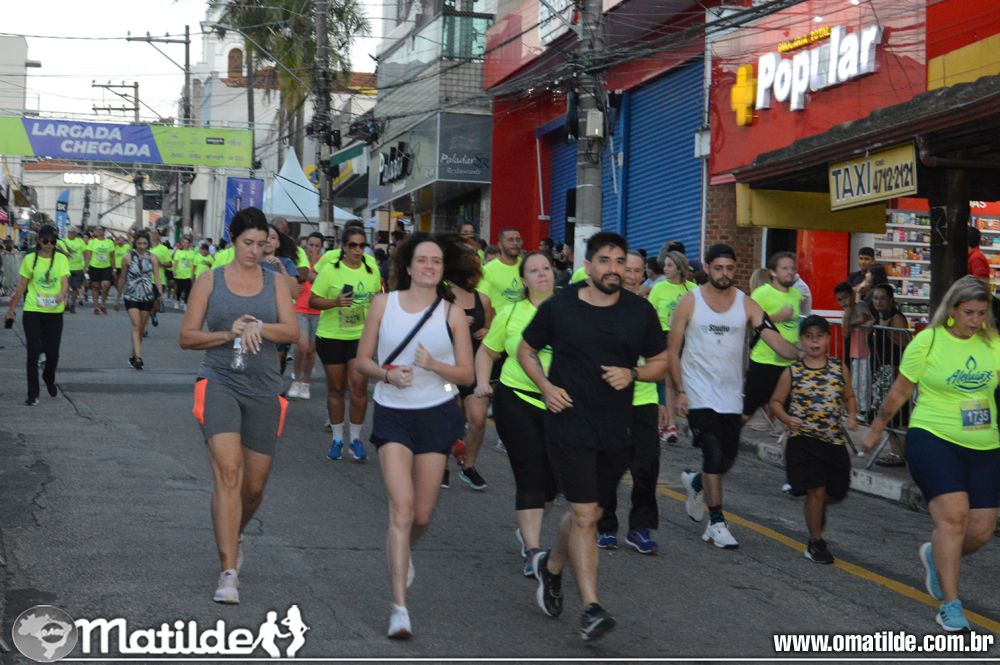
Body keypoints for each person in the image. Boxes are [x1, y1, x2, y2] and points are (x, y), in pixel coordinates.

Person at [518, 232, 668, 642]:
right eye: (605, 260)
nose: (614, 269)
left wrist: (633, 373)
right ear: (588, 266)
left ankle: (551, 569)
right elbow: (525, 351)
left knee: (591, 512)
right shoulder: (561, 306)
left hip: (616, 428)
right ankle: (591, 608)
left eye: (620, 261)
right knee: (585, 515)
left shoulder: (640, 312)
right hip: (568, 424)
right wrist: (546, 389)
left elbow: (660, 361)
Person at [353, 233, 474, 639]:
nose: (428, 266)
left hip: (436, 414)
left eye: (436, 262)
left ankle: (403, 554)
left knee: (422, 515)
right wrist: (388, 374)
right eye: (422, 260)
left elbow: (467, 376)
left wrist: (434, 365)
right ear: (407, 266)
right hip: (393, 414)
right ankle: (399, 609)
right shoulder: (382, 305)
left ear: (442, 270)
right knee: (401, 509)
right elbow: (362, 361)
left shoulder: (452, 313)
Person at [863, 276, 1000, 632]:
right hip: (933, 437)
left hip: (984, 444)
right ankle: (951, 605)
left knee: (983, 529)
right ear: (952, 310)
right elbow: (901, 389)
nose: (975, 320)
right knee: (954, 517)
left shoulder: (993, 343)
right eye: (968, 312)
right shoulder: (929, 340)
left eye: (982, 313)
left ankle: (935, 556)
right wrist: (878, 426)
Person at [179, 207, 299, 605]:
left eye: (261, 244)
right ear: (233, 240)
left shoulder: (275, 281)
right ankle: (228, 571)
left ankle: (235, 531)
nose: (255, 250)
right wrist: (226, 333)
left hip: (265, 388)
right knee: (228, 473)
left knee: (254, 484)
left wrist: (259, 327)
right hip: (219, 381)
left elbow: (293, 332)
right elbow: (187, 337)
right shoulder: (209, 280)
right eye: (247, 243)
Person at [668, 244, 800, 549]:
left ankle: (697, 482)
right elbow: (672, 351)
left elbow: (772, 337)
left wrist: (802, 354)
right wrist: (679, 392)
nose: (724, 274)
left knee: (725, 459)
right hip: (697, 391)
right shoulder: (689, 302)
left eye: (730, 269)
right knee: (713, 452)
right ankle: (716, 522)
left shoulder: (746, 303)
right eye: (718, 268)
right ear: (708, 267)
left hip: (730, 394)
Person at [475, 252, 556, 576]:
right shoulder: (510, 313)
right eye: (533, 271)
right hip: (516, 398)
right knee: (530, 472)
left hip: (560, 403)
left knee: (553, 483)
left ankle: (528, 527)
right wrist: (482, 382)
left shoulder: (570, 312)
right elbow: (487, 351)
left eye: (547, 269)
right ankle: (533, 551)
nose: (541, 275)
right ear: (523, 279)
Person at [769, 315, 858, 564]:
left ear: (828, 339)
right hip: (804, 441)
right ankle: (815, 542)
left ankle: (816, 508)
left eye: (819, 336)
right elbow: (775, 402)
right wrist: (787, 419)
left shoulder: (839, 368)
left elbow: (849, 396)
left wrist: (851, 416)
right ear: (802, 341)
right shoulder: (793, 372)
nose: (814, 341)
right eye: (809, 337)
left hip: (833, 441)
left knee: (838, 491)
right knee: (816, 490)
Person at [596, 250, 663, 555]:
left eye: (639, 271)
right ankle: (605, 525)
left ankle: (639, 528)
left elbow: (660, 359)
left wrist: (663, 400)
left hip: (644, 398)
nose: (634, 276)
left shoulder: (647, 311)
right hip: (608, 399)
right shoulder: (602, 308)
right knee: (608, 466)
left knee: (646, 466)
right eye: (629, 270)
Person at [309, 226, 382, 461]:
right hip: (331, 336)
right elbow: (313, 301)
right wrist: (336, 302)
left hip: (360, 337)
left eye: (362, 245)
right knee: (336, 388)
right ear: (343, 247)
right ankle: (338, 438)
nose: (358, 250)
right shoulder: (331, 270)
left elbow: (380, 299)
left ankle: (356, 439)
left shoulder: (372, 270)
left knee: (359, 388)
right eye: (353, 245)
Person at [443, 235, 493, 490]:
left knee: (478, 420)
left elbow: (492, 329)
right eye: (473, 270)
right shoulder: (443, 297)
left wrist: (485, 330)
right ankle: (441, 466)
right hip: (447, 370)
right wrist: (456, 324)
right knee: (448, 419)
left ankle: (469, 466)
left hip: (475, 369)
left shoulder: (482, 300)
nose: (477, 275)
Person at [5, 224, 70, 405]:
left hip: (54, 312)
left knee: (53, 353)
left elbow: (64, 282)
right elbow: (21, 287)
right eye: (45, 241)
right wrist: (11, 309)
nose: (49, 245)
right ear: (39, 241)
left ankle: (48, 377)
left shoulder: (61, 259)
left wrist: (62, 294)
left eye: (52, 241)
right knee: (33, 352)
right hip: (33, 309)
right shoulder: (30, 259)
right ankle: (32, 394)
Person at [648, 250, 696, 444]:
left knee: (685, 382)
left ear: (679, 267)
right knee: (668, 381)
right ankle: (669, 425)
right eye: (664, 265)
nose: (665, 268)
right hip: (665, 336)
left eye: (669, 265)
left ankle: (694, 424)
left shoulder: (692, 288)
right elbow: (650, 314)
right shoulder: (659, 288)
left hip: (689, 337)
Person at [868, 283, 910, 466]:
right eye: (876, 298)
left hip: (893, 370)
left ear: (891, 300)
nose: (878, 301)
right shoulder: (878, 317)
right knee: (886, 410)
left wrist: (884, 329)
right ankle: (895, 451)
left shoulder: (895, 317)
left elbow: (903, 341)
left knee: (897, 413)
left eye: (882, 298)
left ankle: (899, 453)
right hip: (880, 370)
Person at [118, 230, 164, 370]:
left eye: (144, 243)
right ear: (135, 243)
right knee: (136, 325)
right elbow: (122, 277)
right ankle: (138, 358)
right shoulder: (127, 258)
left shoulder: (153, 258)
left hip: (147, 296)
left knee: (141, 327)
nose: (142, 246)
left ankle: (133, 355)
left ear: (148, 244)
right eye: (139, 243)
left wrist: (160, 294)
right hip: (131, 295)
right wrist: (118, 296)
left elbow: (157, 277)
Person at [289, 232, 325, 400]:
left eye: (317, 245)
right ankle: (296, 379)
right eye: (311, 245)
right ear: (306, 245)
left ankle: (306, 383)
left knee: (311, 350)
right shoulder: (300, 261)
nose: (313, 248)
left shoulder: (324, 263)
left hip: (318, 310)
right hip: (300, 308)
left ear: (322, 248)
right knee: (301, 345)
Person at [478, 227, 524, 307]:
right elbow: (483, 302)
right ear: (500, 244)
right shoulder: (488, 270)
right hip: (500, 319)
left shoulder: (528, 266)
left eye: (518, 240)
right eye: (510, 240)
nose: (515, 243)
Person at [84, 225, 115, 314]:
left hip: (106, 266)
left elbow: (112, 257)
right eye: (96, 230)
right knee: (95, 286)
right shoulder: (92, 242)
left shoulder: (109, 242)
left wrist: (114, 269)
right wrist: (85, 268)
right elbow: (88, 256)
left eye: (100, 230)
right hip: (94, 266)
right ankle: (96, 306)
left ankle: (103, 304)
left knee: (106, 285)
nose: (98, 231)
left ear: (104, 231)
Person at [58, 226, 86, 313]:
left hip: (77, 268)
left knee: (75, 288)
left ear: (76, 233)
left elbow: (85, 252)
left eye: (73, 232)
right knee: (65, 288)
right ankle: (65, 304)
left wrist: (85, 265)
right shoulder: (63, 241)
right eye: (69, 232)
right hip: (66, 268)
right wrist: (66, 253)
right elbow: (59, 249)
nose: (71, 233)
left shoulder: (80, 241)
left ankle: (72, 305)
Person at [172, 236, 197, 309]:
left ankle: (186, 303)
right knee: (179, 289)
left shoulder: (192, 252)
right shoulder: (178, 252)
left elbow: (194, 264)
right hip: (180, 273)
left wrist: (193, 274)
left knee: (187, 290)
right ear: (182, 244)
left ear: (189, 244)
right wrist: (174, 270)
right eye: (184, 242)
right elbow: (175, 262)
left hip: (188, 274)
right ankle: (177, 301)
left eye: (187, 243)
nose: (185, 244)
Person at [112, 235, 132, 311]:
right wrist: (115, 242)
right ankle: (122, 292)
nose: (119, 240)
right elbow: (111, 252)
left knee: (122, 281)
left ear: (124, 240)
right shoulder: (115, 246)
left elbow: (131, 251)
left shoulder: (127, 246)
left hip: (124, 267)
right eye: (118, 239)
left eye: (121, 238)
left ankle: (118, 298)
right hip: (116, 267)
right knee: (116, 282)